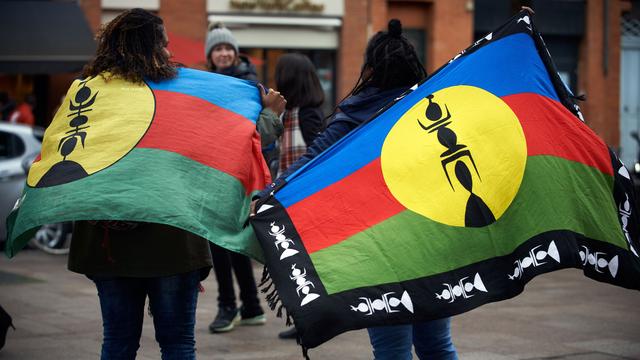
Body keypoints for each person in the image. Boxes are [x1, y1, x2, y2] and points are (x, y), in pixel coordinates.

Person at [66, 9, 283, 359]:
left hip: (105, 244)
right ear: (149, 46)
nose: (168, 52)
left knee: (118, 343)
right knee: (178, 344)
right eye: (163, 44)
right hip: (171, 243)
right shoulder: (181, 92)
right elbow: (232, 147)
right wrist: (269, 116)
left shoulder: (88, 94)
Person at [254, 20, 458, 359]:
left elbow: (312, 161)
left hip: (383, 249)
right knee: (436, 345)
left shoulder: (355, 113)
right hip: (432, 242)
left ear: (370, 69)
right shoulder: (431, 108)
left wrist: (269, 194)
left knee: (391, 349)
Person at [204, 23, 284, 333]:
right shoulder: (210, 82)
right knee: (232, 241)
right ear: (210, 55)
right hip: (221, 167)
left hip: (237, 172)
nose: (223, 53)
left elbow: (255, 131)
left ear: (235, 53)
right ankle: (250, 306)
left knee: (220, 241)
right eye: (218, 48)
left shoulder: (248, 85)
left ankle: (228, 306)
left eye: (228, 48)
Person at [272, 53, 325, 339]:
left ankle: (313, 321)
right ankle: (305, 319)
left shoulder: (309, 114)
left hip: (307, 202)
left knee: (308, 265)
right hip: (290, 200)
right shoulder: (289, 113)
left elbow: (317, 158)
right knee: (296, 264)